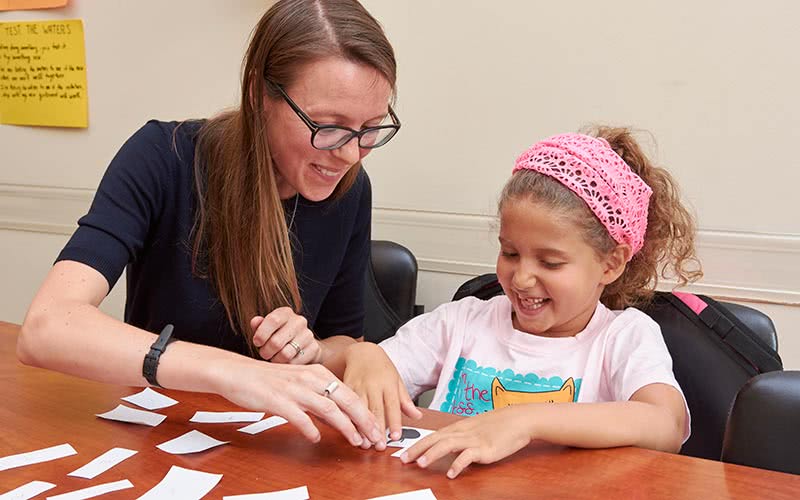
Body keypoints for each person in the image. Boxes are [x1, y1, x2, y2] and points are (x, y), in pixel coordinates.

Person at [17, 0, 401, 448]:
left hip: (267, 446)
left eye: (371, 128)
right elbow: (45, 328)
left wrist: (316, 351)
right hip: (161, 433)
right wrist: (231, 372)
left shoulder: (351, 189)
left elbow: (341, 340)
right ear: (261, 95)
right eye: (328, 126)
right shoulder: (163, 157)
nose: (351, 154)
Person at [328, 127, 703, 476]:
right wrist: (361, 355)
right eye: (509, 253)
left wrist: (524, 420)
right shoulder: (462, 321)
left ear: (611, 263)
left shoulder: (623, 336)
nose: (521, 278)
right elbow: (369, 376)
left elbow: (664, 425)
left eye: (550, 262)